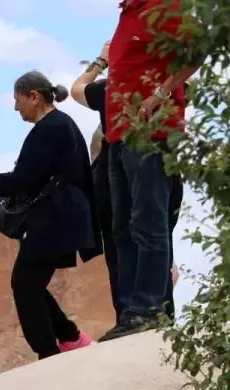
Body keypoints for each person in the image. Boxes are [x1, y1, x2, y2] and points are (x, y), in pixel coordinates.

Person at [0, 72, 100, 361]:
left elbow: (22, 180)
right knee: (30, 283)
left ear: (34, 96)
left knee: (24, 284)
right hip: (62, 218)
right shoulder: (61, 125)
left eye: (18, 100)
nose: (16, 108)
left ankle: (49, 352)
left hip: (54, 220)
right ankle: (68, 337)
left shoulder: (49, 128)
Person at [100, 0, 199, 341]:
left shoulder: (164, 4)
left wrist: (158, 95)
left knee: (148, 222)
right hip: (119, 134)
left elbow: (195, 52)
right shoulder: (128, 12)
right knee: (123, 227)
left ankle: (149, 309)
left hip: (152, 133)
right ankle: (131, 310)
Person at [71, 41, 183, 322]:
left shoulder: (112, 90)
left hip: (117, 172)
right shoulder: (163, 86)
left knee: (124, 240)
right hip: (165, 167)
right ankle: (161, 312)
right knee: (158, 232)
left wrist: (100, 61)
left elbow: (76, 90)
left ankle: (131, 311)